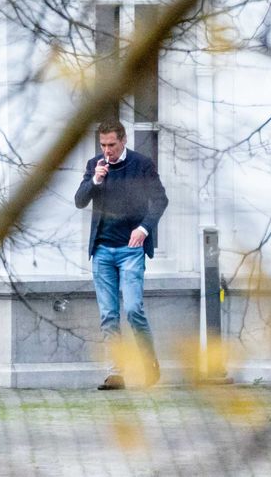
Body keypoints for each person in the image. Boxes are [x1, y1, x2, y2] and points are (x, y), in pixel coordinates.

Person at [75, 121, 168, 390]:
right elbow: (80, 200)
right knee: (108, 315)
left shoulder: (141, 165)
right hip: (102, 250)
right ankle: (115, 372)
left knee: (133, 309)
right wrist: (95, 180)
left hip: (131, 249)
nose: (107, 151)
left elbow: (160, 200)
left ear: (123, 141)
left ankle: (149, 364)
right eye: (103, 145)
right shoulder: (95, 165)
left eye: (112, 145)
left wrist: (144, 229)